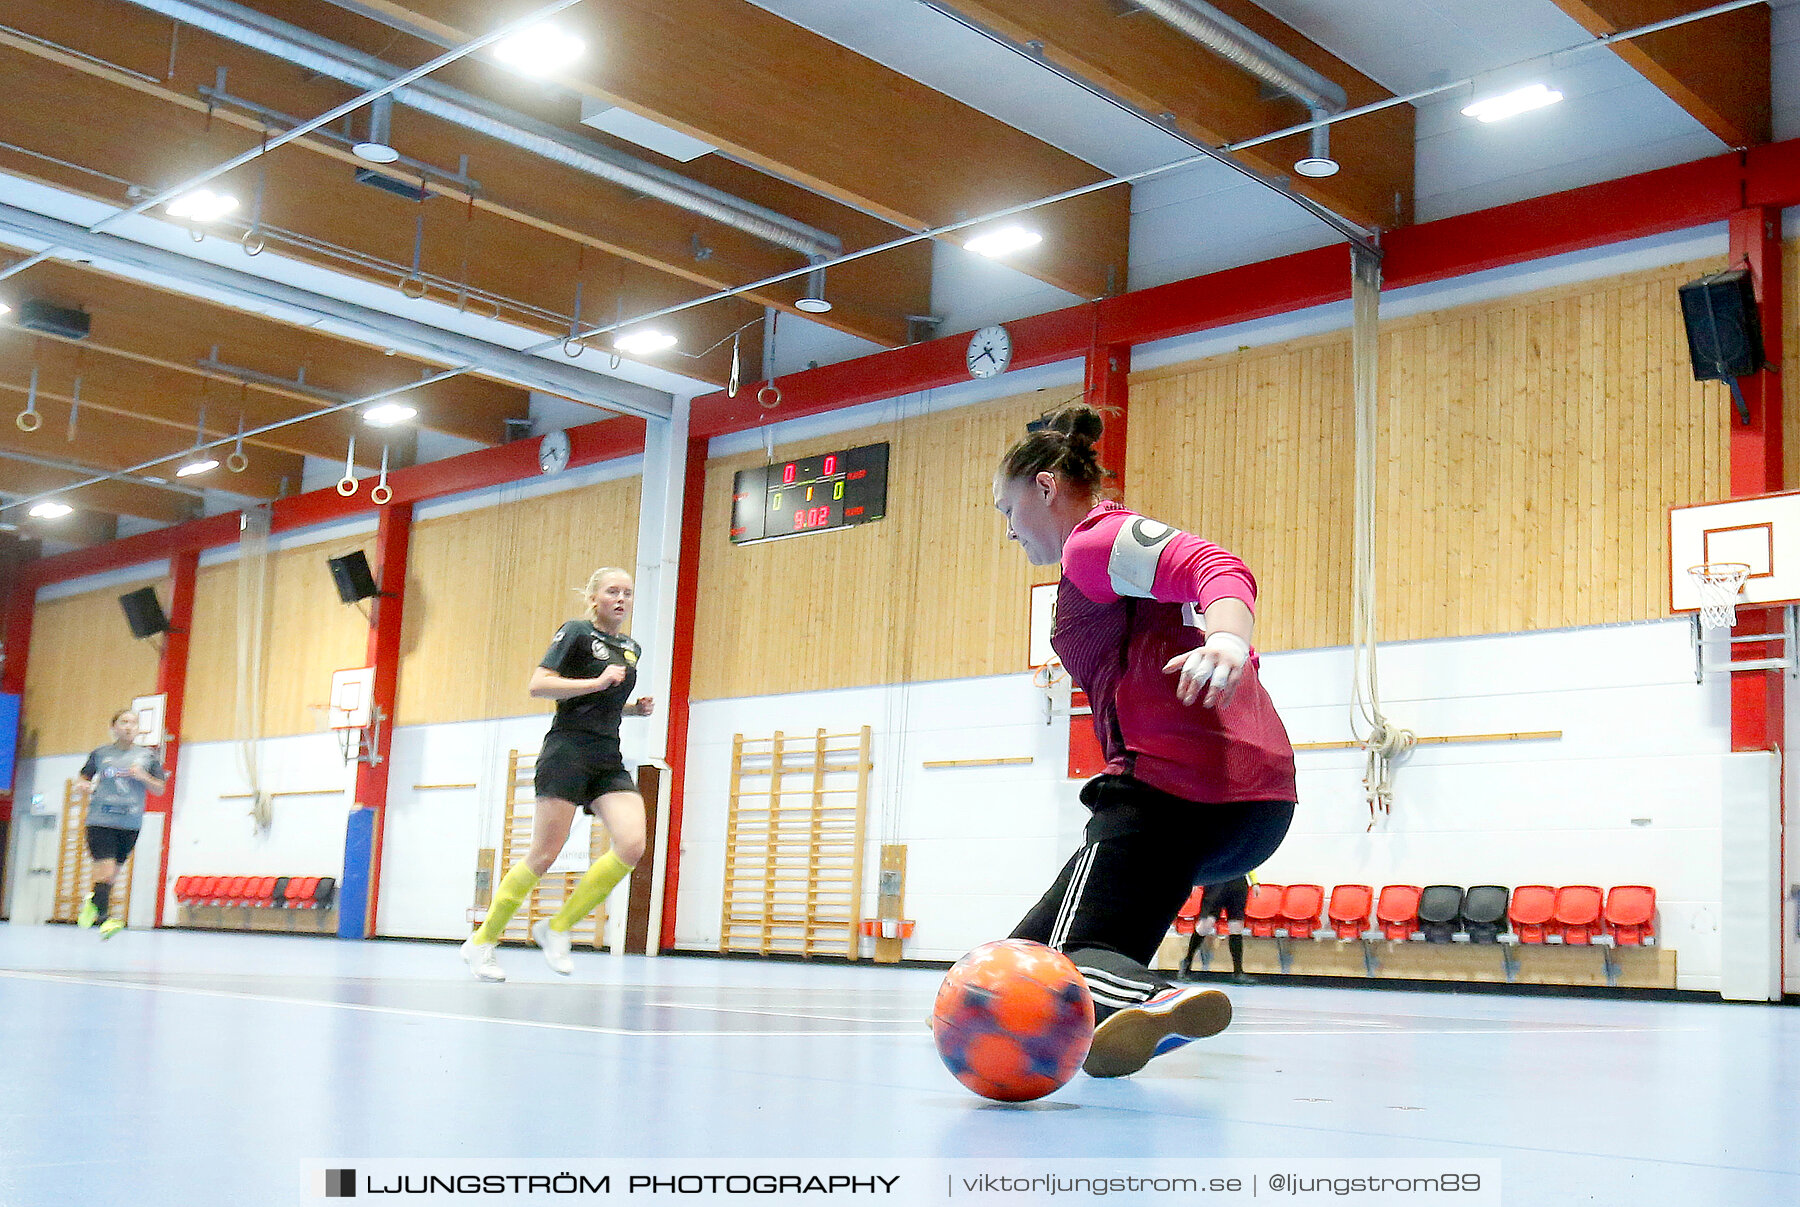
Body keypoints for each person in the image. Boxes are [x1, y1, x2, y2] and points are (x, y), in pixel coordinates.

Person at [993, 404, 1296, 1077]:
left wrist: (1227, 639)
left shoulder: (1092, 541)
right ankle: (1087, 1017)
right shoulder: (1104, 564)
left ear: (1044, 487)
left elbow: (1218, 566)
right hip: (1247, 805)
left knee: (1061, 968)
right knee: (1016, 961)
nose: (1008, 529)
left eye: (1006, 509)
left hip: (1172, 790)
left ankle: (1156, 999)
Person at [461, 568, 655, 982]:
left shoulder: (631, 648)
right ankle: (481, 942)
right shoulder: (576, 632)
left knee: (633, 844)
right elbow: (540, 685)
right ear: (593, 598)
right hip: (567, 750)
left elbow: (600, 702)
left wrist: (631, 709)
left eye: (628, 593)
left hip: (607, 756)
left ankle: (558, 927)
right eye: (612, 591)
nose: (621, 598)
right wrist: (597, 680)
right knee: (545, 853)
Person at [75, 709, 167, 939]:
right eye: (123, 722)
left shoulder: (148, 757)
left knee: (112, 876)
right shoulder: (100, 754)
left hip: (130, 823)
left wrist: (143, 777)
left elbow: (160, 788)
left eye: (133, 723)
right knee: (106, 873)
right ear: (114, 727)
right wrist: (82, 786)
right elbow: (83, 777)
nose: (128, 727)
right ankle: (103, 920)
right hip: (101, 821)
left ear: (138, 729)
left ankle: (92, 902)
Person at [1178, 874, 1257, 985]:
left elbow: (1248, 860)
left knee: (1236, 926)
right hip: (1216, 882)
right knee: (1205, 925)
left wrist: (1255, 882)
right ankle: (1187, 962)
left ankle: (1238, 972)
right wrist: (1193, 880)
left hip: (1238, 882)